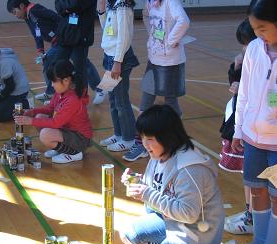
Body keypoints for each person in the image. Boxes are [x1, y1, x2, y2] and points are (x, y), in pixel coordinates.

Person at [119, 105, 248, 244]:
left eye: (149, 138)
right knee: (128, 234)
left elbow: (188, 213)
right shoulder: (161, 154)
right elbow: (159, 186)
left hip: (197, 230)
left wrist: (147, 194)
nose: (144, 144)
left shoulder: (190, 170)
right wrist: (138, 182)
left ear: (167, 137)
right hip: (172, 221)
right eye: (142, 137)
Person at [232, 0, 277, 244]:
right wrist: (239, 129)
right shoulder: (253, 49)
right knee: (257, 190)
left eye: (262, 28)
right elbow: (245, 93)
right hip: (252, 138)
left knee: (275, 194)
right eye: (254, 28)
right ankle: (259, 242)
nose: (258, 33)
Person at [123, 0, 189, 162]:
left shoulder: (170, 2)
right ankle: (141, 142)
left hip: (170, 61)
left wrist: (170, 40)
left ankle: (178, 140)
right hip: (154, 58)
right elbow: (146, 16)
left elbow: (184, 21)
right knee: (145, 100)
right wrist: (153, 34)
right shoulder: (150, 3)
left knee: (171, 102)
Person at [6, 0, 107, 105]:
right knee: (51, 63)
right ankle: (53, 93)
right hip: (61, 40)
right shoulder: (28, 17)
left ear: (22, 6)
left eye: (14, 12)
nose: (15, 15)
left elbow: (59, 15)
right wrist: (40, 50)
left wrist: (61, 31)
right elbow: (37, 32)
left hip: (69, 37)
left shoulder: (36, 10)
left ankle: (96, 90)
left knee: (81, 64)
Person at [14, 59, 92, 164]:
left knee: (45, 134)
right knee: (39, 117)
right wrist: (31, 112)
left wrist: (30, 121)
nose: (51, 85)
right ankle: (60, 149)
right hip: (68, 131)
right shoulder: (61, 91)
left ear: (66, 81)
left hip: (80, 139)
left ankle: (74, 153)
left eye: (54, 81)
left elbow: (56, 123)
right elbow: (50, 109)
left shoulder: (73, 100)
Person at [220, 19, 256, 235]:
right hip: (240, 122)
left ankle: (254, 217)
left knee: (255, 177)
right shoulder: (247, 60)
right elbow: (236, 88)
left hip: (256, 129)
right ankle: (250, 213)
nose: (244, 49)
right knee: (247, 174)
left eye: (247, 43)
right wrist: (236, 69)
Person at [97, 0, 140, 152]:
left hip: (119, 59)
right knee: (113, 99)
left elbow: (124, 37)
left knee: (121, 100)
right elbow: (107, 30)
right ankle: (119, 134)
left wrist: (117, 62)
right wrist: (101, 11)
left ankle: (128, 139)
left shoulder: (123, 6)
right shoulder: (112, 4)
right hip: (109, 57)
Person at [54, 0, 97, 97]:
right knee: (57, 65)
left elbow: (75, 5)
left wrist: (65, 7)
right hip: (66, 34)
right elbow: (57, 5)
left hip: (81, 36)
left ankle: (81, 97)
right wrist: (66, 8)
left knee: (79, 70)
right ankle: (60, 95)